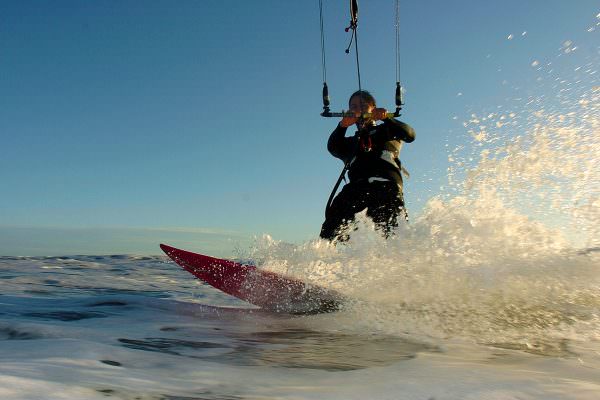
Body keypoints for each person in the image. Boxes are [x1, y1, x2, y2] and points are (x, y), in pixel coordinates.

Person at [320, 90, 416, 241]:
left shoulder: (388, 131)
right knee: (332, 227)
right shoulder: (349, 143)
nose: (359, 109)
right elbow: (333, 147)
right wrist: (342, 126)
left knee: (393, 235)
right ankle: (326, 258)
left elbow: (410, 135)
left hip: (386, 188)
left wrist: (387, 119)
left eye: (364, 105)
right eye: (353, 106)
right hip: (356, 190)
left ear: (373, 107)